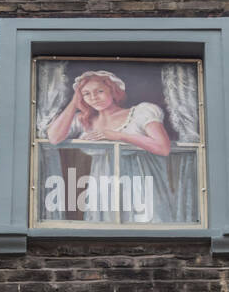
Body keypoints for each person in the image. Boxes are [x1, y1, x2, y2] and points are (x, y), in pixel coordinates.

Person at [44, 70, 183, 223]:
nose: (94, 97)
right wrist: (73, 103)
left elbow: (163, 147)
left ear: (114, 91)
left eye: (100, 91)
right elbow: (54, 137)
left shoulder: (141, 112)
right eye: (86, 94)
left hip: (140, 184)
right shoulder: (85, 120)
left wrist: (118, 136)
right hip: (104, 187)